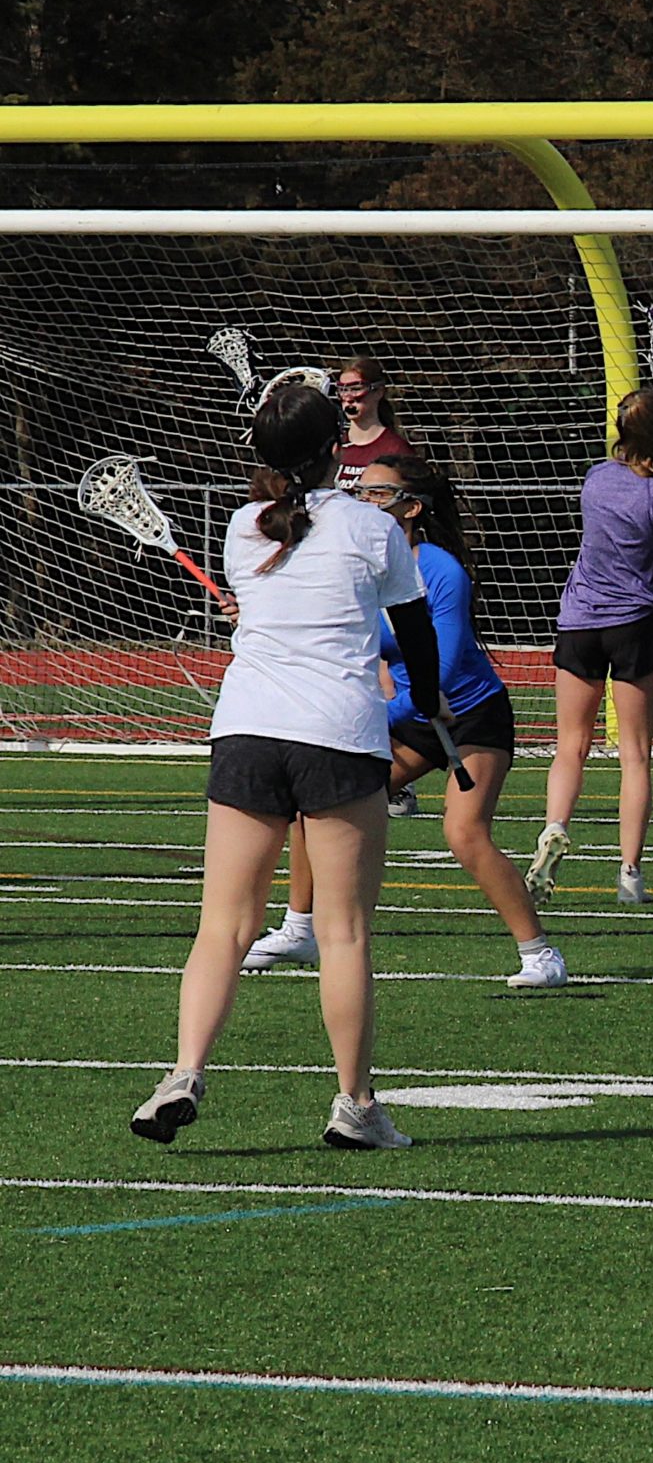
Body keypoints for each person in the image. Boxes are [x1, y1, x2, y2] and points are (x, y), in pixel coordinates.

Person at [129, 383, 435, 1149]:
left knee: (222, 927)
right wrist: (433, 705)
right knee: (342, 932)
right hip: (336, 730)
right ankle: (356, 1106)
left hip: (247, 727)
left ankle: (184, 1072)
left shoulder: (241, 527)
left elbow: (279, 590)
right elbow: (417, 630)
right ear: (338, 447)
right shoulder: (372, 527)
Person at [240, 455, 567, 988]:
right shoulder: (366, 563)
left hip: (469, 714)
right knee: (313, 804)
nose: (362, 502)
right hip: (411, 715)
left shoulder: (440, 570)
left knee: (465, 833)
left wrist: (370, 714)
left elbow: (445, 665)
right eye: (360, 492)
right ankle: (300, 929)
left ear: (412, 508)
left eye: (377, 494)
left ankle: (540, 954)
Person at [525, 388, 653, 908]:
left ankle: (553, 827)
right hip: (634, 625)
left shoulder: (596, 479)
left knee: (570, 744)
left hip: (579, 621)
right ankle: (630, 872)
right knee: (634, 754)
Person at [331, 354, 413, 488]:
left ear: (378, 392)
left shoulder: (396, 449)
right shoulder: (335, 448)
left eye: (356, 389)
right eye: (343, 390)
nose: (349, 398)